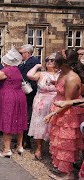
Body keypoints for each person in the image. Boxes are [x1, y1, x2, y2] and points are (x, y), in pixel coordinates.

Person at [44, 50, 84, 180]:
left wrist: (51, 113)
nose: (53, 63)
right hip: (59, 112)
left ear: (64, 63)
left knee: (66, 145)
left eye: (55, 61)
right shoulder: (63, 73)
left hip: (67, 115)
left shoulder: (72, 78)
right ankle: (63, 169)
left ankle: (68, 174)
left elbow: (68, 103)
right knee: (59, 143)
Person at [27, 53, 59, 160]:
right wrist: (37, 66)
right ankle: (39, 148)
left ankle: (53, 149)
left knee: (54, 125)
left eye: (52, 60)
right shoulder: (41, 74)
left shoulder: (61, 74)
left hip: (56, 102)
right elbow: (29, 75)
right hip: (41, 102)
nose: (49, 62)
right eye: (47, 60)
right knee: (40, 124)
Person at [18, 44, 41, 149]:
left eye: (21, 53)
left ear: (28, 53)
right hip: (26, 92)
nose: (20, 55)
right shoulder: (26, 61)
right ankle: (23, 138)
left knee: (26, 115)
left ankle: (26, 140)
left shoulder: (32, 62)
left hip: (29, 93)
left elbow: (23, 76)